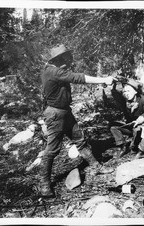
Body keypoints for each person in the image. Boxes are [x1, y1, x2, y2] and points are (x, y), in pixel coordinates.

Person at [39, 44, 116, 197]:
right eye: (64, 57)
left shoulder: (54, 70)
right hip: (56, 114)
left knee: (79, 140)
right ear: (58, 59)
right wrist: (104, 79)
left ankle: (95, 166)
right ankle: (44, 184)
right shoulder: (53, 71)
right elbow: (78, 78)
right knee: (52, 150)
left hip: (64, 112)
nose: (68, 60)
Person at [110, 79, 144, 157]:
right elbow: (115, 94)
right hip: (131, 126)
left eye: (128, 91)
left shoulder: (143, 99)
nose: (126, 94)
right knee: (113, 127)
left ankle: (134, 148)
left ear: (135, 91)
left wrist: (141, 118)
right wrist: (114, 84)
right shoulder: (124, 101)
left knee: (137, 130)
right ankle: (122, 146)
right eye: (124, 92)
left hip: (141, 126)